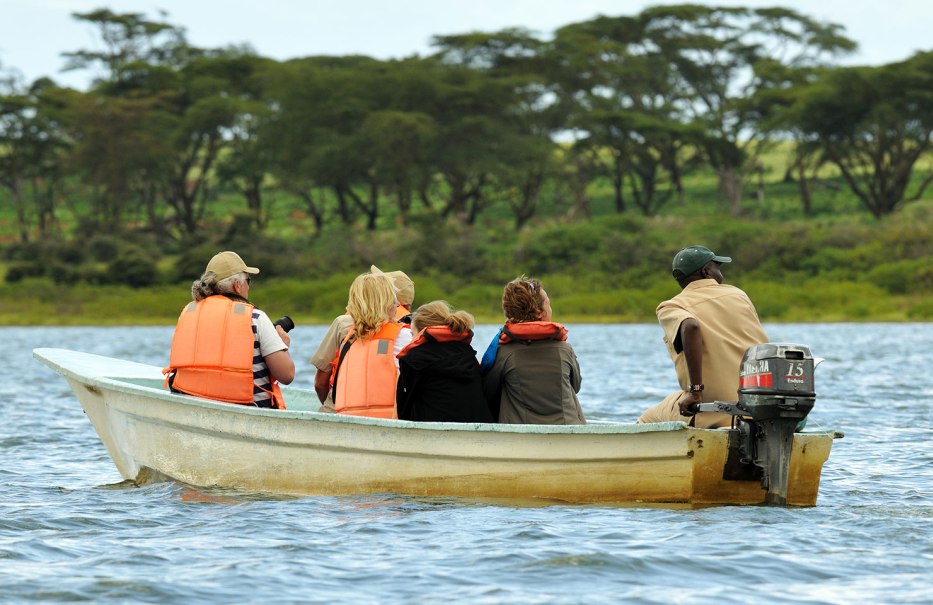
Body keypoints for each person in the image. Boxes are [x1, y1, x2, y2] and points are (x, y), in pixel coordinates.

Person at [637, 245, 768, 428]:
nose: (721, 274)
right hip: (761, 406)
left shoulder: (672, 306)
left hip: (714, 409)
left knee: (646, 421)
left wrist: (696, 392)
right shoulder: (739, 295)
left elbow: (690, 326)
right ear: (706, 272)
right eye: (718, 268)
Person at [164, 250, 295, 409]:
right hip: (249, 409)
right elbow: (287, 375)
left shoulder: (188, 314)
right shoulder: (255, 318)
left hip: (195, 406)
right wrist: (283, 346)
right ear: (237, 285)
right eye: (248, 280)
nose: (248, 286)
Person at [310, 265, 415, 412]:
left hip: (342, 412)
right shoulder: (407, 334)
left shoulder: (347, 332)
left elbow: (320, 383)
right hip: (387, 416)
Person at [482, 277, 585, 425]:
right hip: (567, 428)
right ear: (539, 312)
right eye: (548, 303)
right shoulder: (565, 350)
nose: (550, 308)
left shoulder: (503, 352)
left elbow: (488, 392)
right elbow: (576, 386)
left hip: (521, 431)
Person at [396, 301, 494, 423]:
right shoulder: (468, 354)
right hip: (476, 428)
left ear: (421, 332)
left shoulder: (414, 360)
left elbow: (404, 410)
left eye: (412, 334)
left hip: (433, 430)